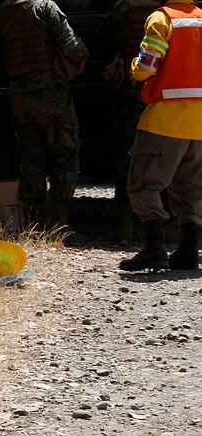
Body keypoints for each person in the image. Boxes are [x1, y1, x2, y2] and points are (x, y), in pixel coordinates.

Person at [118, 0, 202, 271]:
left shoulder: (161, 19)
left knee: (143, 184)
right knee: (191, 187)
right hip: (199, 122)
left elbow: (147, 66)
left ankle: (154, 248)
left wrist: (133, 68)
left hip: (165, 119)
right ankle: (188, 250)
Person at [0, 0, 88, 227]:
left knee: (31, 156)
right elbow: (72, 46)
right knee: (66, 153)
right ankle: (58, 224)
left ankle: (35, 223)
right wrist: (84, 54)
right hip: (49, 93)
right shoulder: (45, 7)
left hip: (19, 95)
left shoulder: (7, 11)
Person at [98, 0, 165, 240]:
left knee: (130, 158)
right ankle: (177, 226)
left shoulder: (125, 7)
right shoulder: (180, 10)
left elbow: (105, 40)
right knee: (176, 157)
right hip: (169, 94)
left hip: (135, 91)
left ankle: (123, 227)